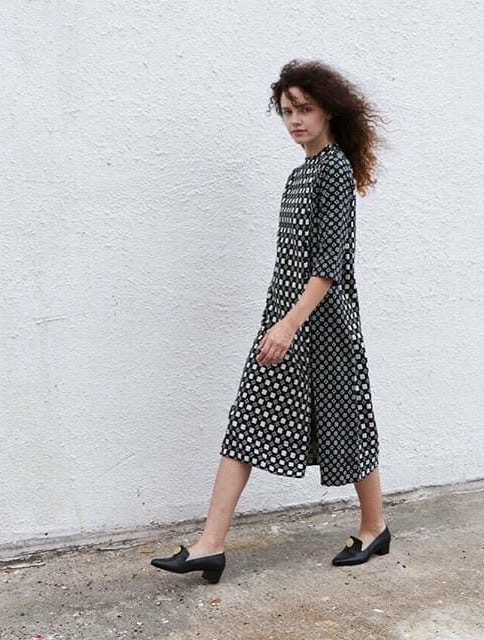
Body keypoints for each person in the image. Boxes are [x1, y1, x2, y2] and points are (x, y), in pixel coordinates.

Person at [151, 59, 390, 584]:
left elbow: (328, 266)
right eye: (286, 111)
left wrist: (287, 326)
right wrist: (278, 320)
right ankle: (210, 544)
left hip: (322, 326)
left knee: (346, 419)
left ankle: (374, 527)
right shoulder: (301, 173)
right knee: (249, 419)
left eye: (304, 109)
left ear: (328, 111)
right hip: (288, 318)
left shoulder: (334, 171)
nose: (295, 120)